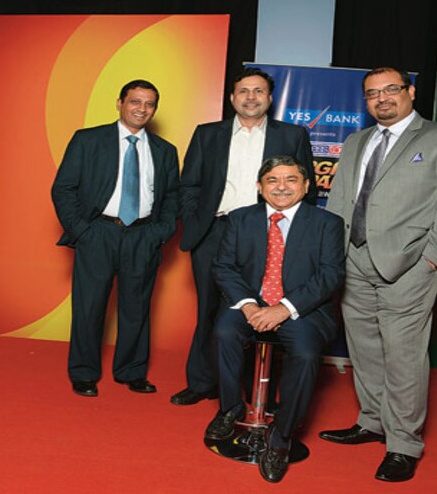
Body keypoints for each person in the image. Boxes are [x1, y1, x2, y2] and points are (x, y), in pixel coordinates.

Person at [320, 67, 437, 482]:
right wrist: (333, 257)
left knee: (404, 355)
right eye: (372, 93)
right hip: (352, 262)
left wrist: (433, 258)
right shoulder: (357, 140)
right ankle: (372, 421)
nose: (382, 98)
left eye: (392, 89)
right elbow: (339, 202)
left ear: (410, 92)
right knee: (365, 349)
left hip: (409, 266)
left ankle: (403, 443)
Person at [173, 68, 316, 406]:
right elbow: (189, 184)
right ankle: (202, 382)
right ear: (232, 97)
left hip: (267, 230)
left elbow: (304, 188)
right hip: (215, 230)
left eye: (258, 91)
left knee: (262, 309)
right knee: (209, 308)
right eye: (243, 91)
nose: (251, 97)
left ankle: (258, 388)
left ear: (270, 98)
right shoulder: (208, 134)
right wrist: (198, 220)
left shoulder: (293, 134)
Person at [204, 155, 344, 482]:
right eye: (273, 180)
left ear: (307, 185)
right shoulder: (239, 219)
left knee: (307, 353)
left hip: (302, 308)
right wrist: (251, 307)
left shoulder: (328, 224)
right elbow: (223, 267)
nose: (282, 187)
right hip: (250, 303)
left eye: (291, 180)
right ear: (259, 186)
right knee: (223, 333)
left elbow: (330, 275)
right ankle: (230, 410)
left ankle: (281, 436)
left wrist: (283, 309)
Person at [51, 79, 178, 397]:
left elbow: (173, 197)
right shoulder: (88, 140)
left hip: (143, 235)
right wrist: (83, 231)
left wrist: (160, 233)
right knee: (89, 306)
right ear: (120, 103)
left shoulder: (165, 151)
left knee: (137, 307)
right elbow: (63, 188)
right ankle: (83, 373)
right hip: (99, 233)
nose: (142, 109)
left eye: (149, 104)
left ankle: (132, 371)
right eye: (135, 101)